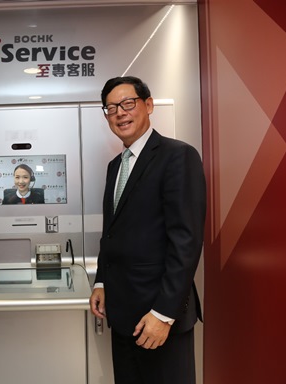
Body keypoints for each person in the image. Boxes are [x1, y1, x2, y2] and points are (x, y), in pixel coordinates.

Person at [89, 76, 206, 384]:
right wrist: (102, 280)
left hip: (158, 318)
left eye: (128, 104)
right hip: (122, 313)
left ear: (148, 105)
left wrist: (163, 314)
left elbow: (186, 241)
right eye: (111, 107)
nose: (120, 113)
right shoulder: (116, 165)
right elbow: (111, 232)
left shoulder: (177, 156)